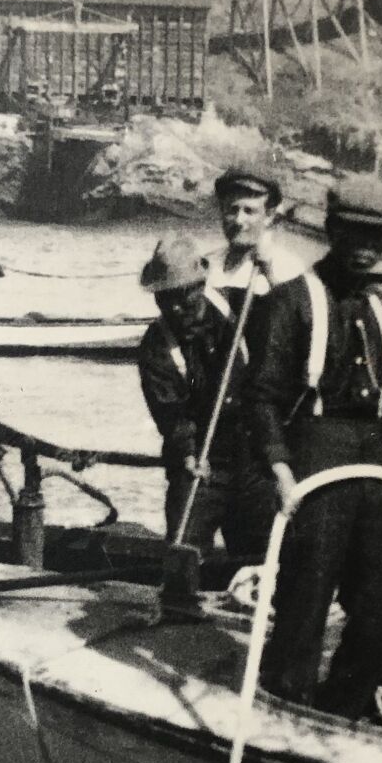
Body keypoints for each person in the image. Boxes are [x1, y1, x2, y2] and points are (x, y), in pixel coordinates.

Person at [245, 176, 382, 718]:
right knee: (307, 595)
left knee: (379, 607)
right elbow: (263, 399)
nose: (367, 249)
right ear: (332, 230)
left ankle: (347, 705)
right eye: (357, 235)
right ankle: (281, 703)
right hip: (316, 459)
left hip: (377, 468)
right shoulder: (290, 303)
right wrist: (279, 469)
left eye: (379, 238)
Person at [136, 234, 274, 559]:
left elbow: (290, 325)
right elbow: (172, 415)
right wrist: (188, 453)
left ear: (201, 284)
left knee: (263, 556)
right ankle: (178, 603)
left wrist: (269, 270)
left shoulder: (240, 309)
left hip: (251, 458)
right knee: (184, 548)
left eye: (183, 295)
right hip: (200, 458)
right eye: (164, 298)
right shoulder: (156, 345)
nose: (175, 307)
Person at [205, 158, 303, 314]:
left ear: (269, 216)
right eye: (232, 210)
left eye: (249, 211)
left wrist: (270, 275)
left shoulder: (287, 271)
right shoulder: (207, 264)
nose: (238, 220)